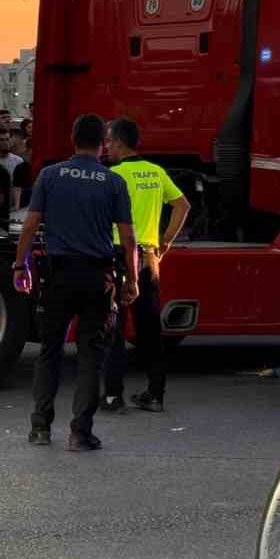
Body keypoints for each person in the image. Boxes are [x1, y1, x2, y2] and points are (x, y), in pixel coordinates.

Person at [13, 113, 138, 451]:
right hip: (97, 278)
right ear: (102, 144)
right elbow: (128, 237)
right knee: (90, 355)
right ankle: (80, 433)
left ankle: (40, 427)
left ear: (73, 139)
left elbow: (30, 225)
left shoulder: (50, 175)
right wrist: (133, 280)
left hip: (57, 276)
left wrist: (19, 265)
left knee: (50, 351)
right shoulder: (113, 182)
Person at [99, 117, 190, 414]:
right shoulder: (156, 172)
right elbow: (182, 205)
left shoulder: (114, 175)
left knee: (114, 328)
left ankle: (113, 396)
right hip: (149, 257)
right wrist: (166, 241)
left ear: (121, 143)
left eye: (109, 141)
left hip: (118, 256)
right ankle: (155, 394)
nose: (106, 146)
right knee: (150, 330)